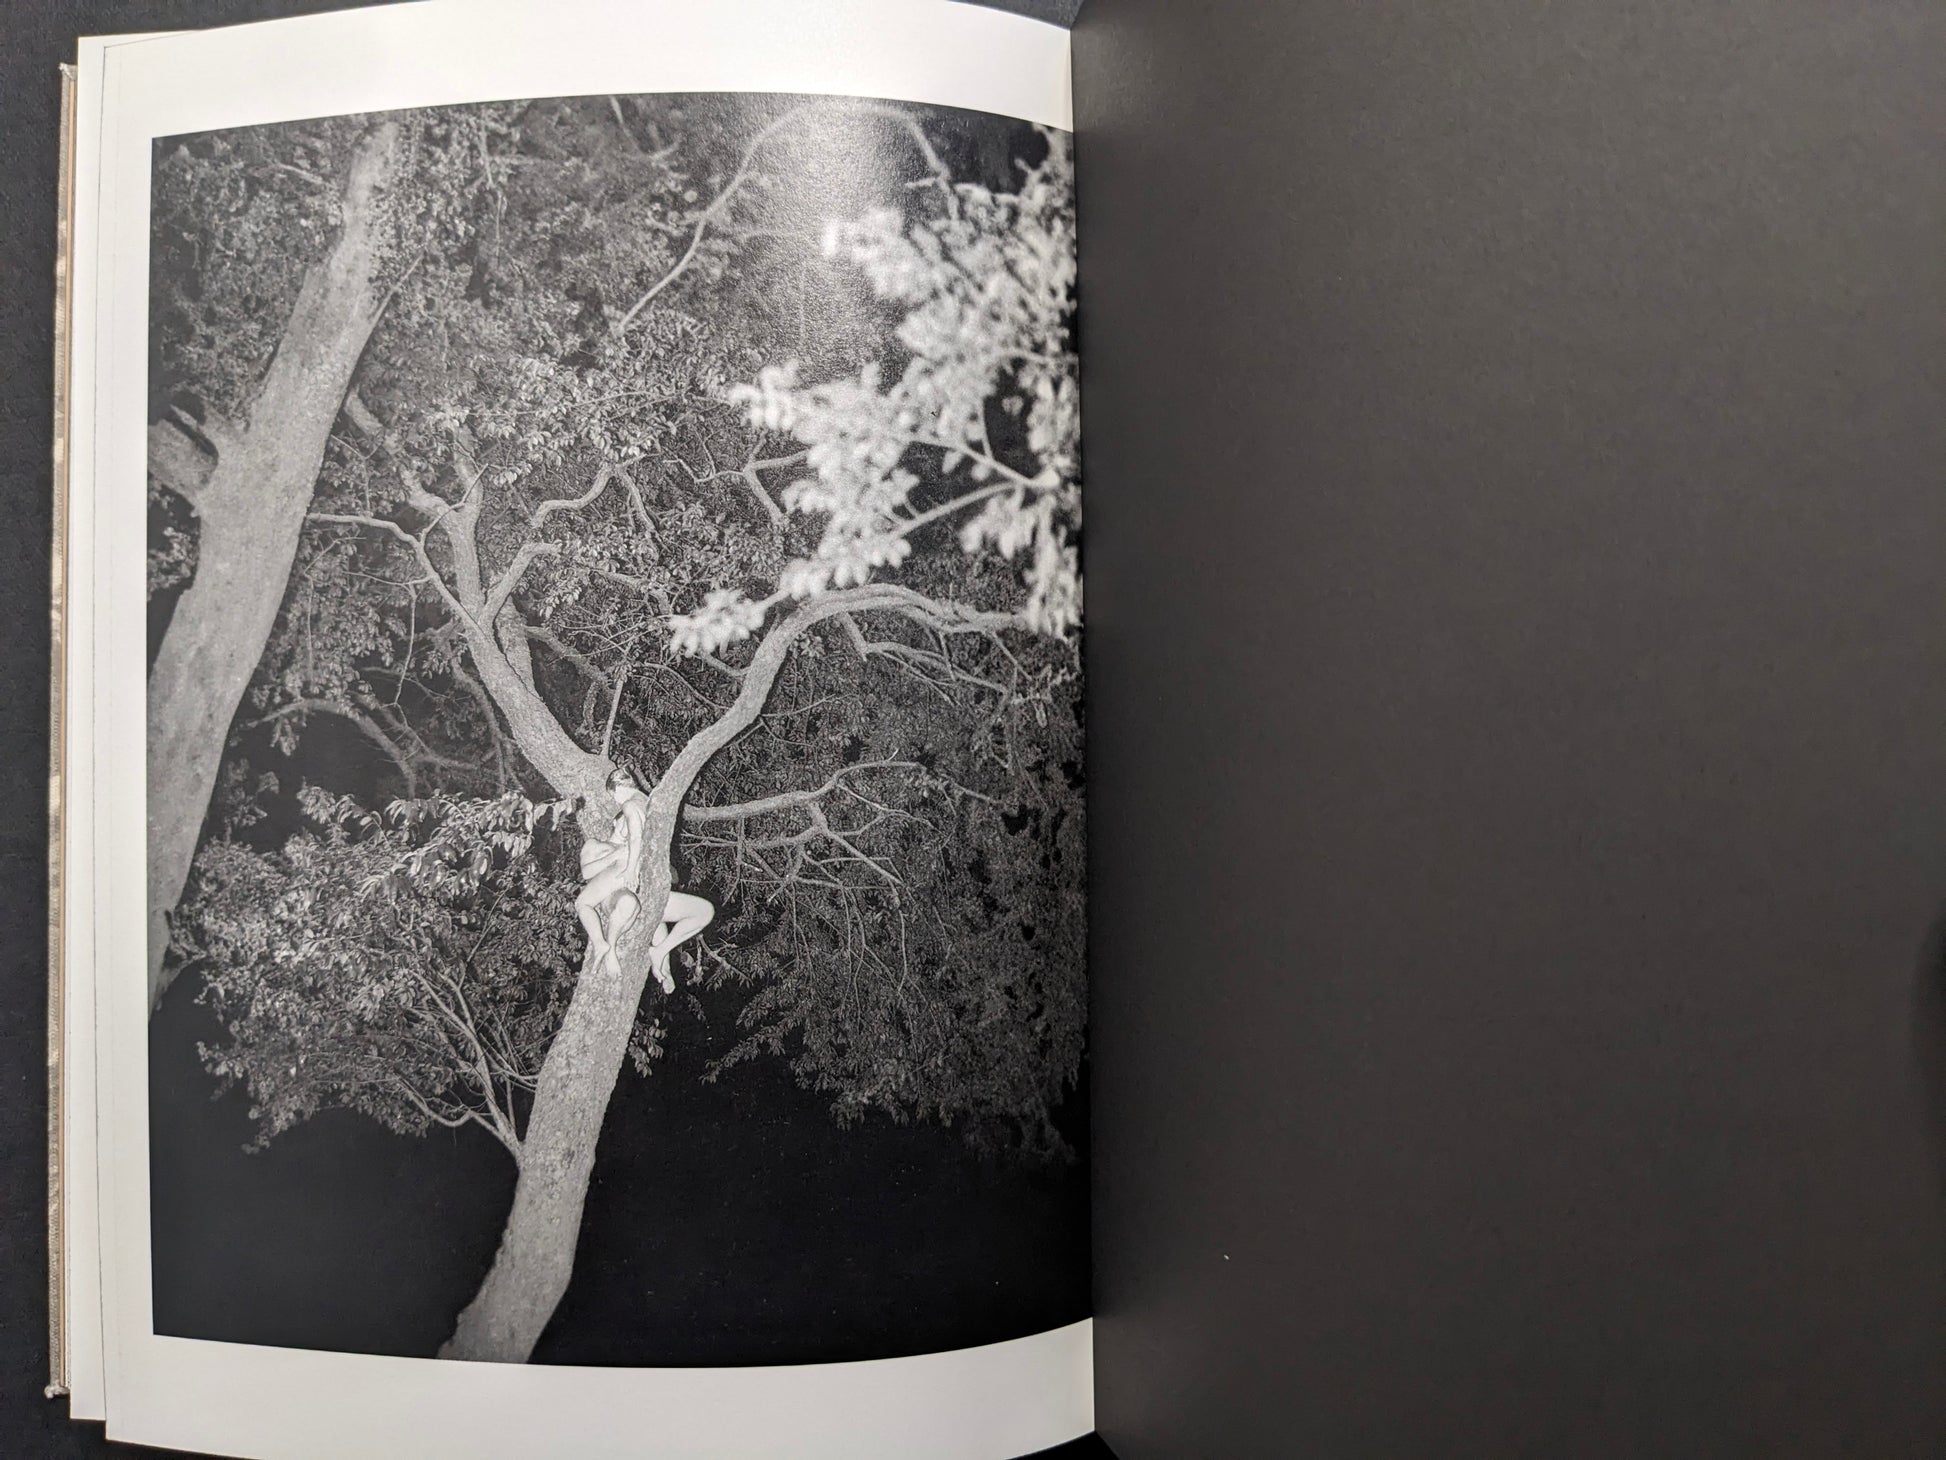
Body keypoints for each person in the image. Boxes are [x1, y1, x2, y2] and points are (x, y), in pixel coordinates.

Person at [575, 765, 714, 991]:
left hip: (638, 893)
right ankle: (608, 947)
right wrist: (618, 856)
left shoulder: (633, 840)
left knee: (704, 911)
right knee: (623, 903)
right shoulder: (596, 845)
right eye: (624, 824)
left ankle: (660, 955)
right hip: (614, 895)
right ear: (614, 823)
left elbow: (655, 913)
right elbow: (586, 873)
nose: (628, 828)